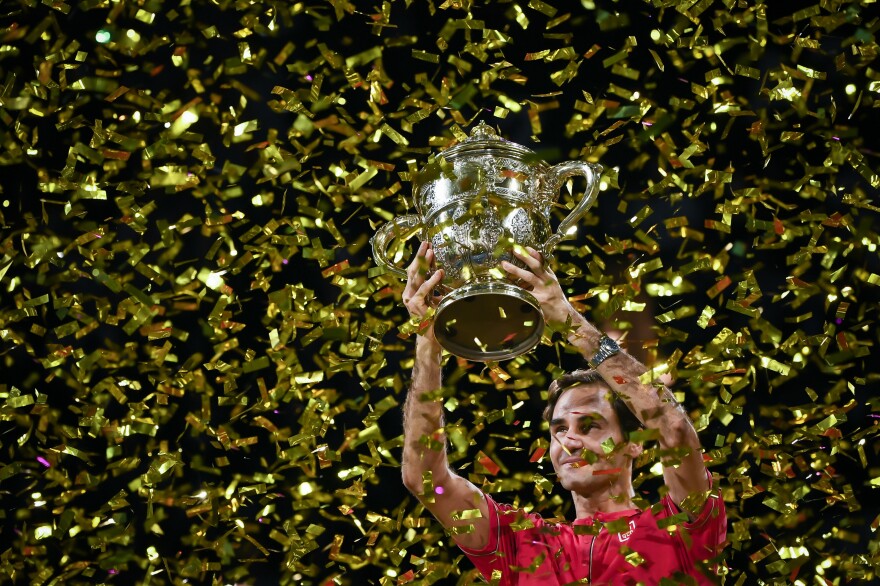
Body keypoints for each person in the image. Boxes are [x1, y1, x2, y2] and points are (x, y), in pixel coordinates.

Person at [400, 241, 727, 585]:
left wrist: (570, 322)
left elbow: (672, 428)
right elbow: (425, 480)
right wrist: (428, 339)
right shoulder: (522, 544)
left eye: (590, 426)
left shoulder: (683, 529)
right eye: (559, 429)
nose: (569, 440)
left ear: (634, 443)